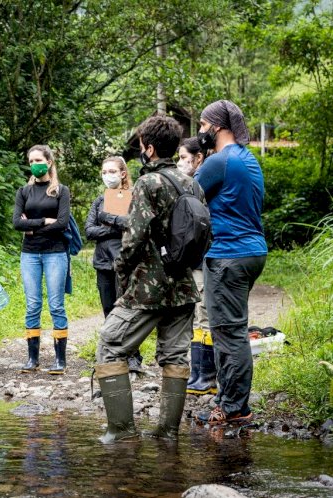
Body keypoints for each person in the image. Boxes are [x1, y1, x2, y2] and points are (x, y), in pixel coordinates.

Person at [95, 115, 206, 443]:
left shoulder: (148, 183)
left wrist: (121, 267)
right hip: (184, 286)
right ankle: (167, 432)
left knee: (110, 346)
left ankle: (121, 431)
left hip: (148, 287)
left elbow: (135, 235)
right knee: (174, 357)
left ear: (150, 148)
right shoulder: (193, 183)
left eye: (142, 145)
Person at [193, 100, 267, 425]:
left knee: (229, 334)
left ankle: (234, 409)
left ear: (217, 127)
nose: (199, 132)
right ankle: (229, 401)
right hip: (252, 251)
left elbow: (186, 198)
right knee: (232, 330)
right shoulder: (248, 159)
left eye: (201, 125)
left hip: (228, 255)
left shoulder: (219, 161)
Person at [13, 145, 71, 375]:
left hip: (56, 253)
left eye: (38, 159)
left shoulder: (61, 191)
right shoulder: (23, 192)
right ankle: (32, 359)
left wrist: (32, 227)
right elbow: (17, 223)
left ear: (48, 162)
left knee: (56, 305)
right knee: (32, 304)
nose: (34, 164)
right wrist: (44, 222)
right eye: (31, 160)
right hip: (29, 255)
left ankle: (60, 360)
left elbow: (63, 223)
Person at [84, 156, 145, 376]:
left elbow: (134, 226)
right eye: (104, 171)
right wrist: (113, 225)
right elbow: (89, 231)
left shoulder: (134, 197)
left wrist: (108, 219)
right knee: (109, 310)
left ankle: (134, 357)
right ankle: (113, 356)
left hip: (126, 262)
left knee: (128, 312)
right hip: (103, 263)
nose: (107, 175)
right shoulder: (99, 201)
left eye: (112, 171)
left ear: (122, 173)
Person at [177, 138, 216, 396]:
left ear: (198, 158)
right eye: (178, 158)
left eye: (183, 157)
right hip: (192, 260)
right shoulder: (189, 183)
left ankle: (208, 377)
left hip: (205, 258)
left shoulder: (204, 181)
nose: (180, 163)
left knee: (205, 314)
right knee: (195, 315)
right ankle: (197, 373)